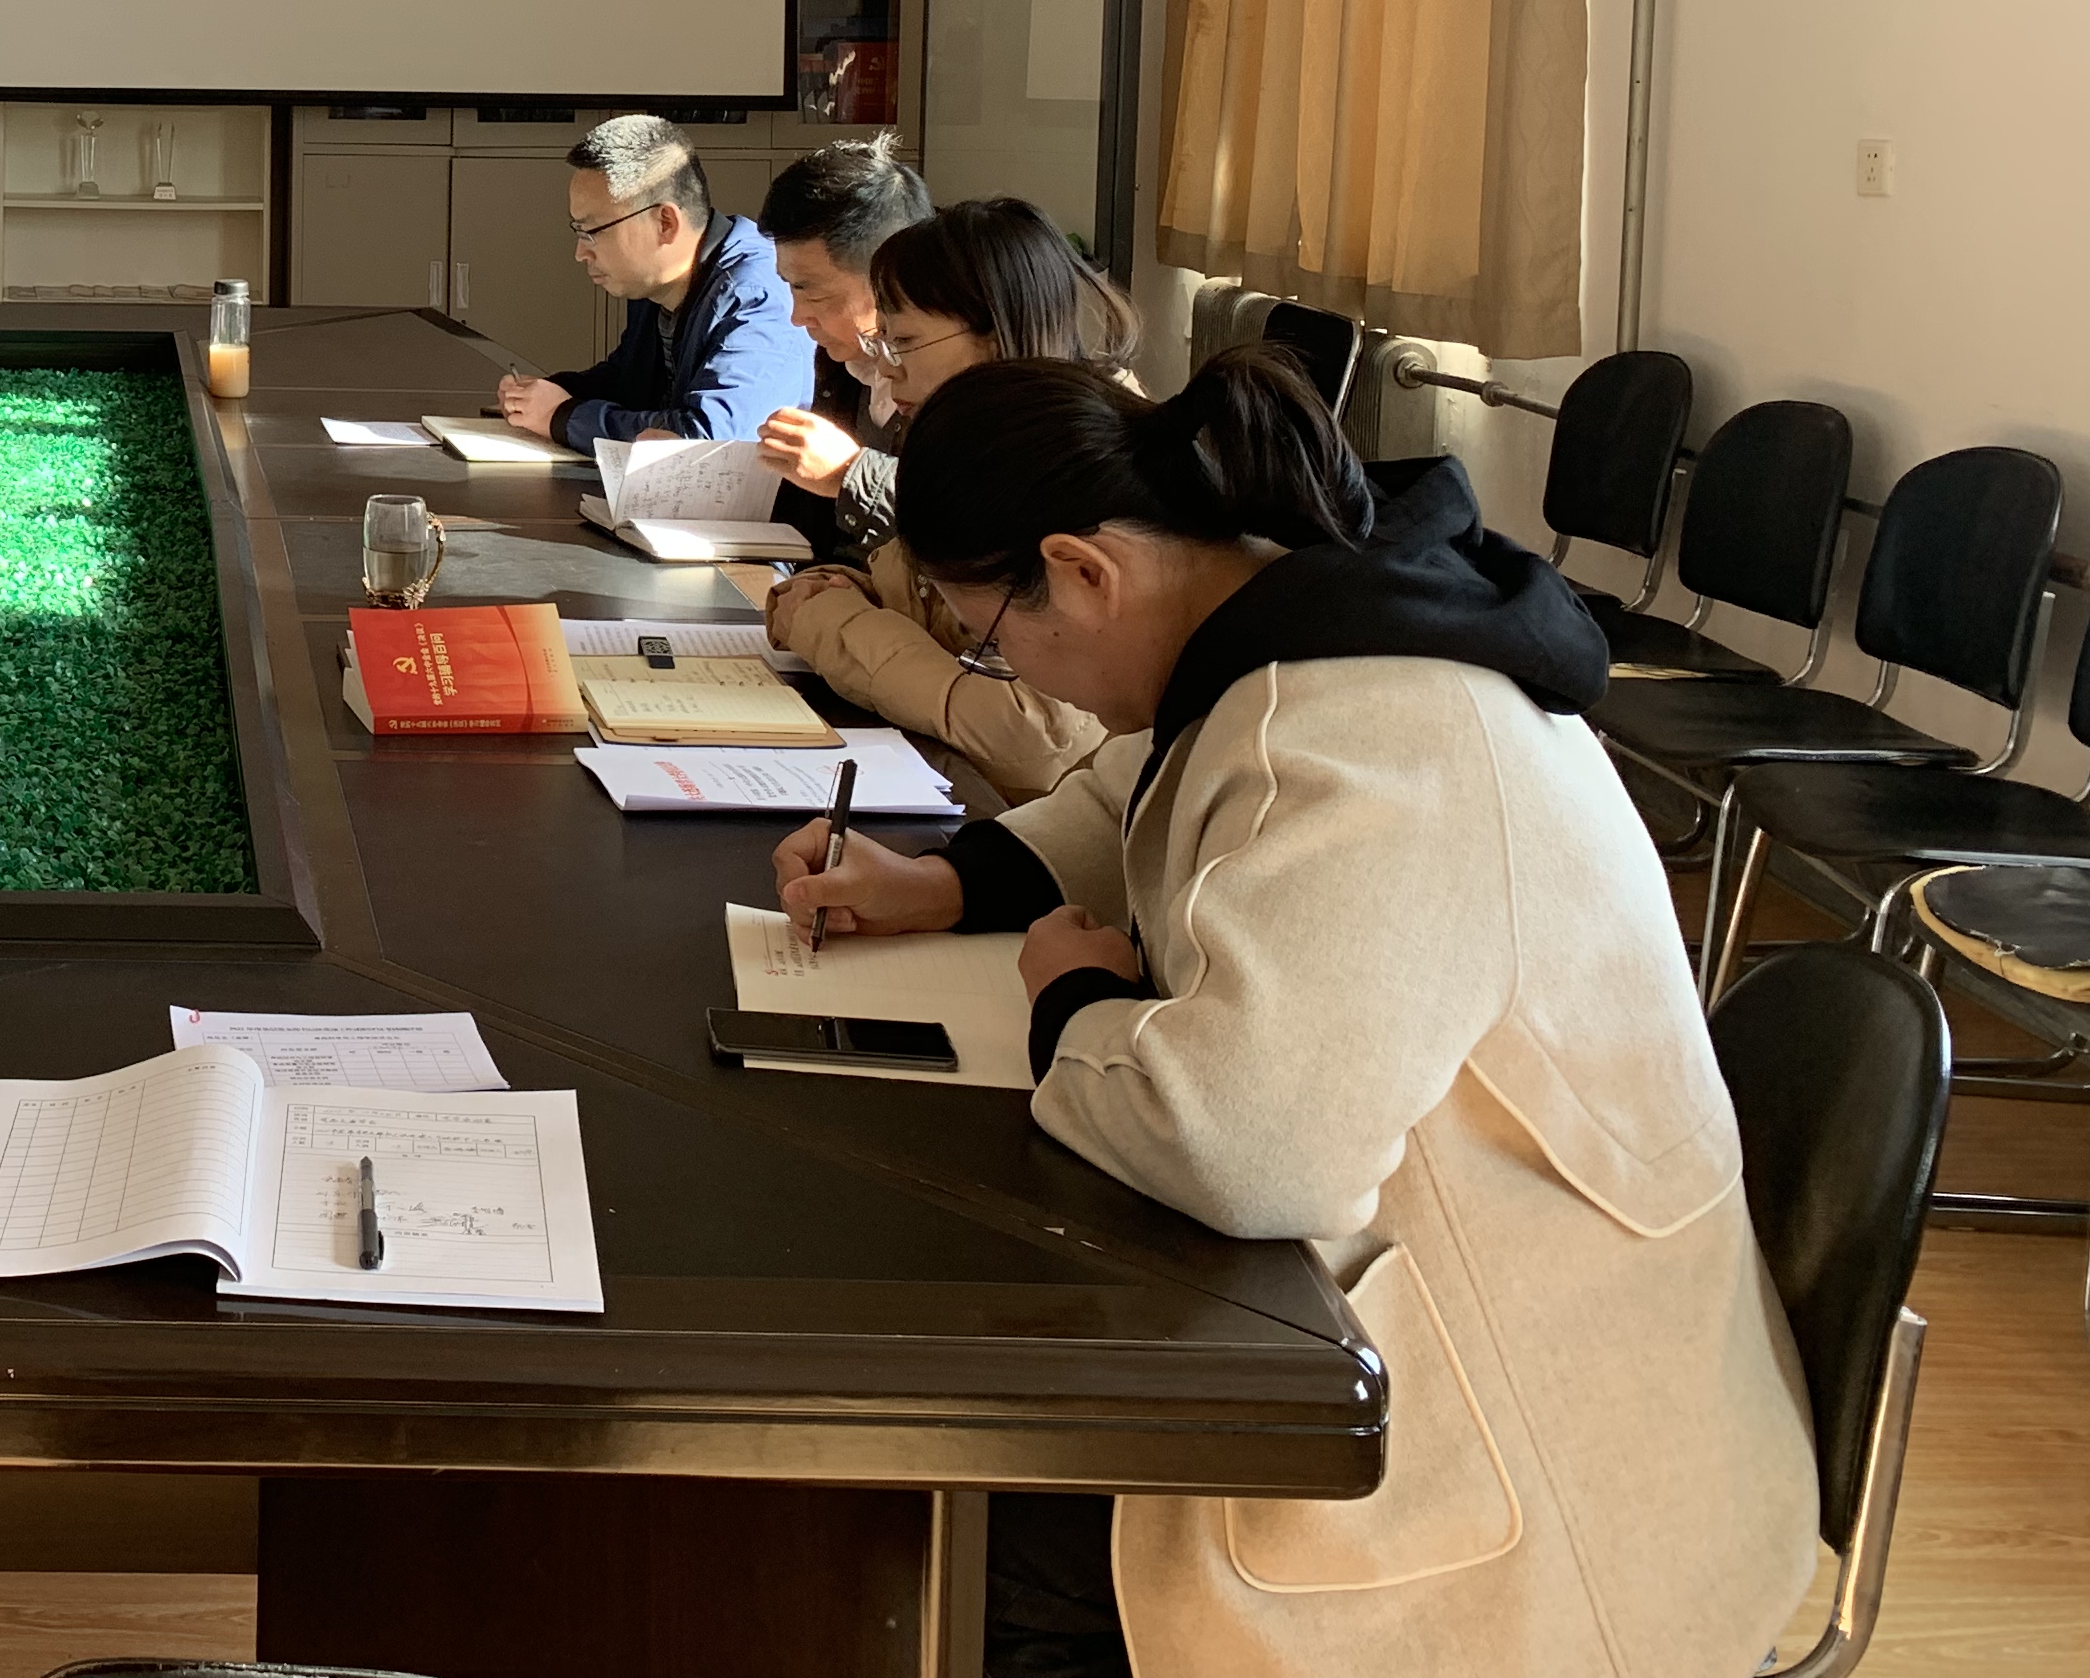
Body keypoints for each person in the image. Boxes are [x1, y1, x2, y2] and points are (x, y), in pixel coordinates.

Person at [774, 354, 1818, 1678]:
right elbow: (1144, 788)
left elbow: (1244, 1150)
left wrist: (1075, 1002)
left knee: (940, 1525)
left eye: (990, 636)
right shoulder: (1298, 615)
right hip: (1499, 1321)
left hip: (1547, 1451)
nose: (1006, 666)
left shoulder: (1370, 730)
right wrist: (947, 881)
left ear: (1082, 573)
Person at [762, 198, 1130, 800]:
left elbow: (1032, 739)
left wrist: (827, 620)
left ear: (996, 333)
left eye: (904, 341)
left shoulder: (1082, 468)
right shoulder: (972, 445)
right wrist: (840, 590)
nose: (888, 371)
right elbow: (922, 607)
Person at [491, 113, 814, 452]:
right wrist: (546, 395)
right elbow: (628, 382)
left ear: (665, 223)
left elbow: (709, 443)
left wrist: (561, 415)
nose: (580, 253)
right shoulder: (659, 282)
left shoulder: (755, 294)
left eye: (591, 232)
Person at [746, 134, 931, 558]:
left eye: (812, 292)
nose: (797, 317)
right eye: (789, 287)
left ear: (887, 276)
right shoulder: (839, 367)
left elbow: (975, 526)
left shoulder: (960, 380)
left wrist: (850, 475)